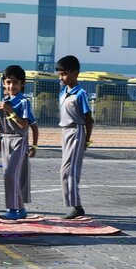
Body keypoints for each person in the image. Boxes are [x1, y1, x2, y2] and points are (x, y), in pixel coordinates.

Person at [0, 65, 33, 220]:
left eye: (15, 83)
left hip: (18, 140)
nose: (11, 86)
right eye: (8, 82)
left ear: (22, 83)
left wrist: (10, 111)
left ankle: (17, 208)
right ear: (3, 83)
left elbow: (24, 125)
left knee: (11, 173)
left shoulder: (23, 102)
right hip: (5, 140)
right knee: (7, 174)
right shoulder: (4, 101)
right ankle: (16, 208)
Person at [55, 55, 93, 219]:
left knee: (70, 170)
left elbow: (89, 119)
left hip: (76, 131)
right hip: (65, 131)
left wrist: (86, 140)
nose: (61, 78)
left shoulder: (80, 94)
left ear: (75, 73)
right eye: (59, 74)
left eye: (64, 74)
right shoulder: (64, 92)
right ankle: (72, 204)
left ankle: (76, 206)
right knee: (65, 170)